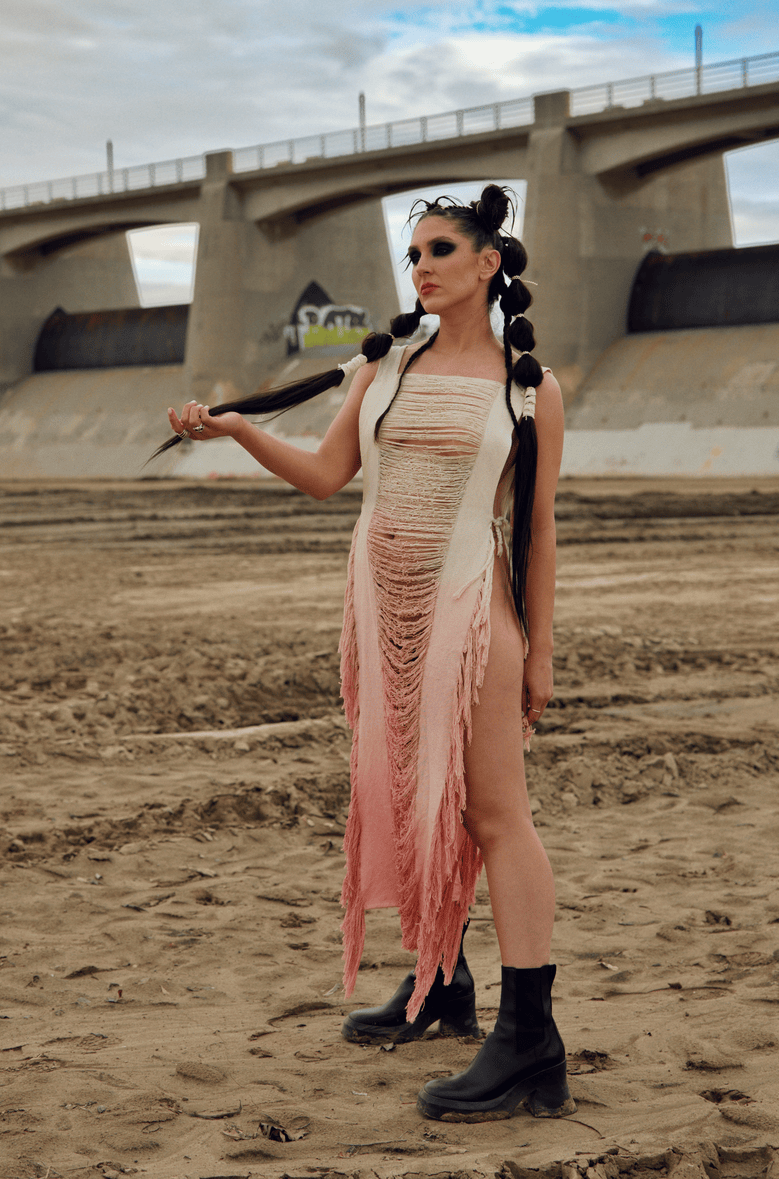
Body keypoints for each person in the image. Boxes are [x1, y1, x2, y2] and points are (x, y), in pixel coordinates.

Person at [155, 184, 573, 1124]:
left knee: (495, 816)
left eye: (438, 250)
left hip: (472, 617)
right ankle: (441, 984)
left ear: (489, 264)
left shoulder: (529, 389)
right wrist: (240, 430)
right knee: (416, 800)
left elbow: (539, 529)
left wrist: (540, 652)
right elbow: (325, 477)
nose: (420, 267)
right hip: (383, 617)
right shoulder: (383, 368)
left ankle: (531, 1042)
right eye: (412, 254)